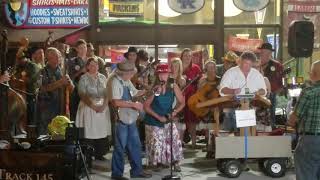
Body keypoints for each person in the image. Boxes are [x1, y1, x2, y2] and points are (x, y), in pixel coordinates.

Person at [109, 60, 151, 180]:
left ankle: (137, 171)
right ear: (124, 72)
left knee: (135, 145)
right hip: (120, 119)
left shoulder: (126, 80)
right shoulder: (115, 82)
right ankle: (116, 174)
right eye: (131, 73)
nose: (132, 75)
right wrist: (133, 105)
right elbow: (116, 102)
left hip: (129, 118)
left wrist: (146, 91)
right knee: (119, 147)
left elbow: (134, 93)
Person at [143, 63, 185, 171]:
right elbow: (146, 106)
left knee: (174, 138)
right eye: (160, 74)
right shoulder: (155, 89)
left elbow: (182, 102)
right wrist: (158, 117)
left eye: (165, 74)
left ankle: (175, 162)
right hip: (153, 119)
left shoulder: (173, 86)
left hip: (167, 118)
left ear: (169, 74)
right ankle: (156, 162)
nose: (163, 76)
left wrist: (174, 112)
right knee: (157, 140)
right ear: (157, 75)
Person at [288, 60, 320, 180]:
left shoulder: (309, 92)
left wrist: (292, 115)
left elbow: (293, 120)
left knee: (305, 171)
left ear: (313, 74)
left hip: (312, 140)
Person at [219, 51, 267, 131]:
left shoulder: (256, 74)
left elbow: (263, 90)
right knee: (232, 138)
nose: (246, 66)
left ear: (252, 64)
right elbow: (222, 90)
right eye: (245, 63)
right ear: (240, 61)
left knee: (247, 137)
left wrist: (257, 92)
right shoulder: (231, 72)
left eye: (249, 64)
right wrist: (233, 91)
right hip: (232, 108)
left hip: (251, 109)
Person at [76, 57, 111, 161]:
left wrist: (104, 105)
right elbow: (82, 93)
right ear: (87, 67)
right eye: (91, 65)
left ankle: (100, 154)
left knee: (101, 130)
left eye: (95, 65)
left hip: (102, 107)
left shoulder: (103, 78)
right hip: (88, 107)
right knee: (89, 131)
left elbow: (108, 92)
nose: (94, 67)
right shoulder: (84, 78)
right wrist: (93, 106)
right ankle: (88, 154)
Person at [38, 47, 74, 135]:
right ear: (48, 58)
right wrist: (60, 82)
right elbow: (42, 89)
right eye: (55, 56)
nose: (58, 58)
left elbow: (72, 89)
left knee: (60, 136)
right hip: (47, 109)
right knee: (46, 136)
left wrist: (69, 83)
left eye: (59, 56)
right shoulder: (42, 72)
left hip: (61, 109)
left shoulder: (62, 71)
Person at [259, 42, 284, 129]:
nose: (264, 55)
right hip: (256, 95)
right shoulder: (255, 64)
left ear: (270, 54)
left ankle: (271, 131)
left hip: (271, 95)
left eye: (267, 53)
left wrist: (274, 92)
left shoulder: (277, 66)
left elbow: (281, 82)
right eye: (262, 53)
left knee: (270, 116)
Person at [181, 48, 202, 148]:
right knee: (180, 120)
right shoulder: (178, 66)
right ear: (182, 56)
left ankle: (194, 142)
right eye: (185, 55)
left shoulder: (196, 68)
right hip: (180, 96)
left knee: (192, 120)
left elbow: (200, 83)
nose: (187, 58)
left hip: (192, 97)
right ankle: (179, 143)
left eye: (189, 56)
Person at [14, 49, 41, 125]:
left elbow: (32, 80)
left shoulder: (32, 66)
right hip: (20, 94)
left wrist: (22, 79)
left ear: (25, 58)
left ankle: (31, 131)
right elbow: (15, 76)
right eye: (18, 59)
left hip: (30, 94)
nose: (19, 61)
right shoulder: (19, 66)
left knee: (31, 116)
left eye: (20, 59)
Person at [67, 39, 87, 122]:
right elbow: (70, 77)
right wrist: (80, 71)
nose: (83, 50)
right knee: (75, 115)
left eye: (84, 47)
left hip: (88, 91)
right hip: (76, 92)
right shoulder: (72, 61)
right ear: (77, 49)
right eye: (80, 48)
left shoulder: (90, 61)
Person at [252, 59, 272, 132]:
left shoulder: (265, 80)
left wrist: (257, 94)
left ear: (260, 68)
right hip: (247, 116)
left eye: (257, 67)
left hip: (262, 117)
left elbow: (268, 97)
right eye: (253, 67)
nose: (255, 69)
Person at [170, 58, 186, 143]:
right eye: (172, 66)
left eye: (176, 66)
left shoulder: (182, 79)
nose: (174, 68)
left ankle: (179, 144)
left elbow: (182, 94)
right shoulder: (168, 77)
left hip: (179, 103)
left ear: (179, 67)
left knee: (180, 126)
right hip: (170, 102)